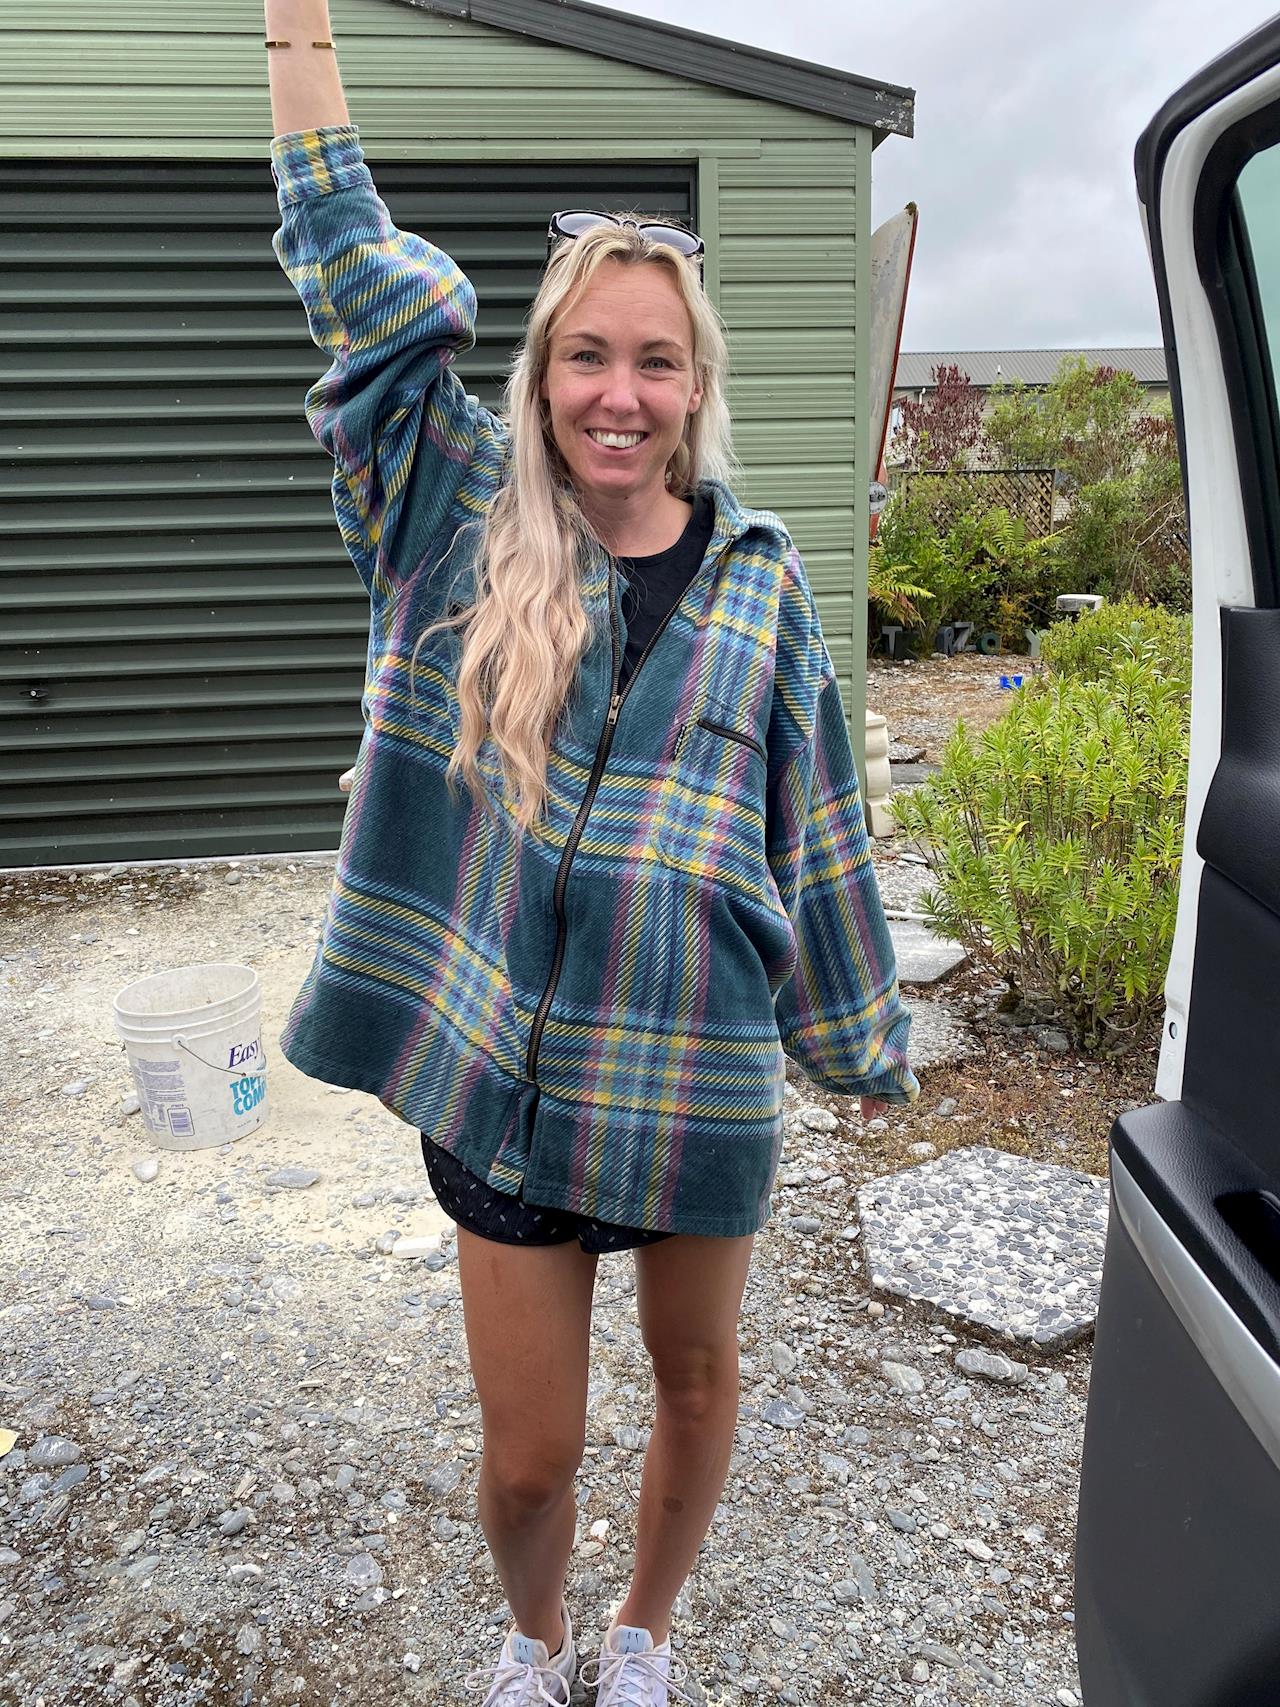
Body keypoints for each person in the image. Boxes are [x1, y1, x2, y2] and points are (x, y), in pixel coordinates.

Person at [264, 6, 919, 1703]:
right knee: (531, 1459)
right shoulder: (450, 515)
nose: (619, 397)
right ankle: (536, 1635)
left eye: (656, 363)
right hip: (498, 1071)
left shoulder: (764, 585)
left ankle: (643, 1636)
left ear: (697, 387)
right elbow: (354, 275)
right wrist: (296, 26)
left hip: (694, 1067)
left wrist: (857, 1042)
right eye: (586, 357)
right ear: (541, 371)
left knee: (695, 1386)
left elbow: (818, 830)